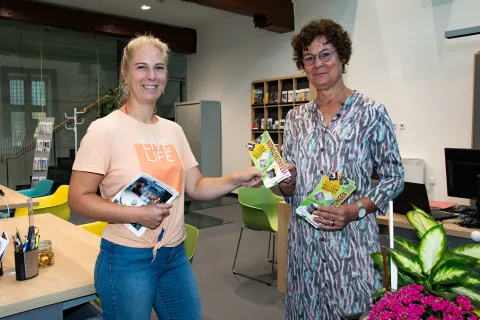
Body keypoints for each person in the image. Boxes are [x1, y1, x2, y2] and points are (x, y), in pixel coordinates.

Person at [68, 34, 262, 320]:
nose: (151, 76)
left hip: (174, 255)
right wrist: (136, 213)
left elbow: (195, 186)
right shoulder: (104, 130)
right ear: (125, 73)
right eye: (141, 67)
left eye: (159, 68)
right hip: (127, 258)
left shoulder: (173, 130)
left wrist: (236, 179)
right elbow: (78, 199)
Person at [278, 19, 404, 319]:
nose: (318, 64)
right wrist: (285, 185)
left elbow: (394, 177)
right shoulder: (295, 119)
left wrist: (355, 209)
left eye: (326, 54)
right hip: (304, 249)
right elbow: (286, 187)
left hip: (352, 248)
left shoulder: (371, 112)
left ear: (342, 57)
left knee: (354, 314)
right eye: (309, 58)